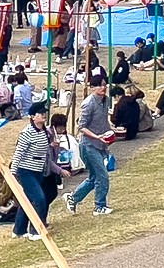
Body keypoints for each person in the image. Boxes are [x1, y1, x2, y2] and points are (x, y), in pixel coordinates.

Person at [64, 81, 114, 216]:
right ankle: (100, 206)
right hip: (88, 145)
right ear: (92, 87)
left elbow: (104, 121)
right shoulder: (88, 104)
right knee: (102, 176)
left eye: (104, 85)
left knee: (94, 177)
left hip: (101, 144)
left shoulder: (107, 100)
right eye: (99, 85)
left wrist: (110, 131)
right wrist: (97, 137)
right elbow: (82, 127)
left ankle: (73, 198)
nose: (103, 87)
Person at [8, 115, 55, 241]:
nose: (44, 115)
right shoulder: (27, 132)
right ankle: (35, 230)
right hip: (25, 171)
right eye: (40, 113)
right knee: (39, 199)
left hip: (38, 170)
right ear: (33, 117)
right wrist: (12, 172)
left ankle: (19, 230)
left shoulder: (44, 131)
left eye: (44, 112)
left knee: (28, 200)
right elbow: (19, 152)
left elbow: (43, 149)